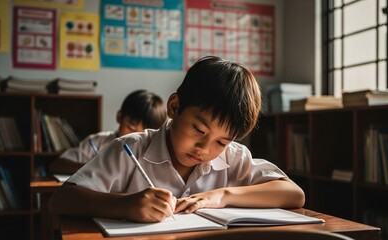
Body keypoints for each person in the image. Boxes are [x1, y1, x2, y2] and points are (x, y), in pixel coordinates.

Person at [49, 56, 305, 223]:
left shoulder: (234, 157)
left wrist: (223, 195)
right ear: (174, 107)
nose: (205, 149)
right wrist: (125, 205)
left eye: (221, 142)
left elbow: (294, 194)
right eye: (198, 129)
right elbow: (61, 200)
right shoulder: (130, 149)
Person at [49, 89, 167, 174]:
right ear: (119, 117)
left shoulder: (158, 152)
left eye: (146, 133)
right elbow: (57, 165)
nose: (137, 136)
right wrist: (95, 167)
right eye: (131, 128)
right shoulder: (97, 142)